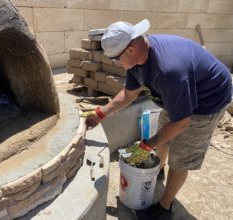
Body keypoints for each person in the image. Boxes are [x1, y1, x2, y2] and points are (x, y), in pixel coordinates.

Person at [82, 19, 232, 220]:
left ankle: (164, 206)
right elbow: (128, 95)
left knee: (181, 156)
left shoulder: (168, 70)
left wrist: (147, 145)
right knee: (164, 137)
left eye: (116, 58)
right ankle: (159, 168)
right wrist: (100, 114)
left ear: (131, 49)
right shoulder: (137, 61)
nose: (116, 63)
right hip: (180, 94)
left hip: (207, 101)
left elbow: (182, 123)